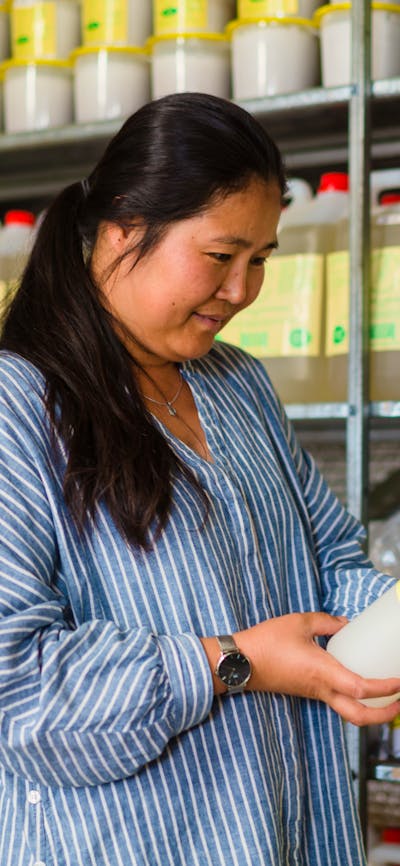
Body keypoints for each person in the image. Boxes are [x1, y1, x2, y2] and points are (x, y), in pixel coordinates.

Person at [0, 92, 398, 866]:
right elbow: (16, 690)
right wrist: (230, 663)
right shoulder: (19, 404)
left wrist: (384, 622)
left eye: (261, 261)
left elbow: (331, 565)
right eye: (221, 257)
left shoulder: (238, 384)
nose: (243, 291)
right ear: (122, 228)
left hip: (287, 836)